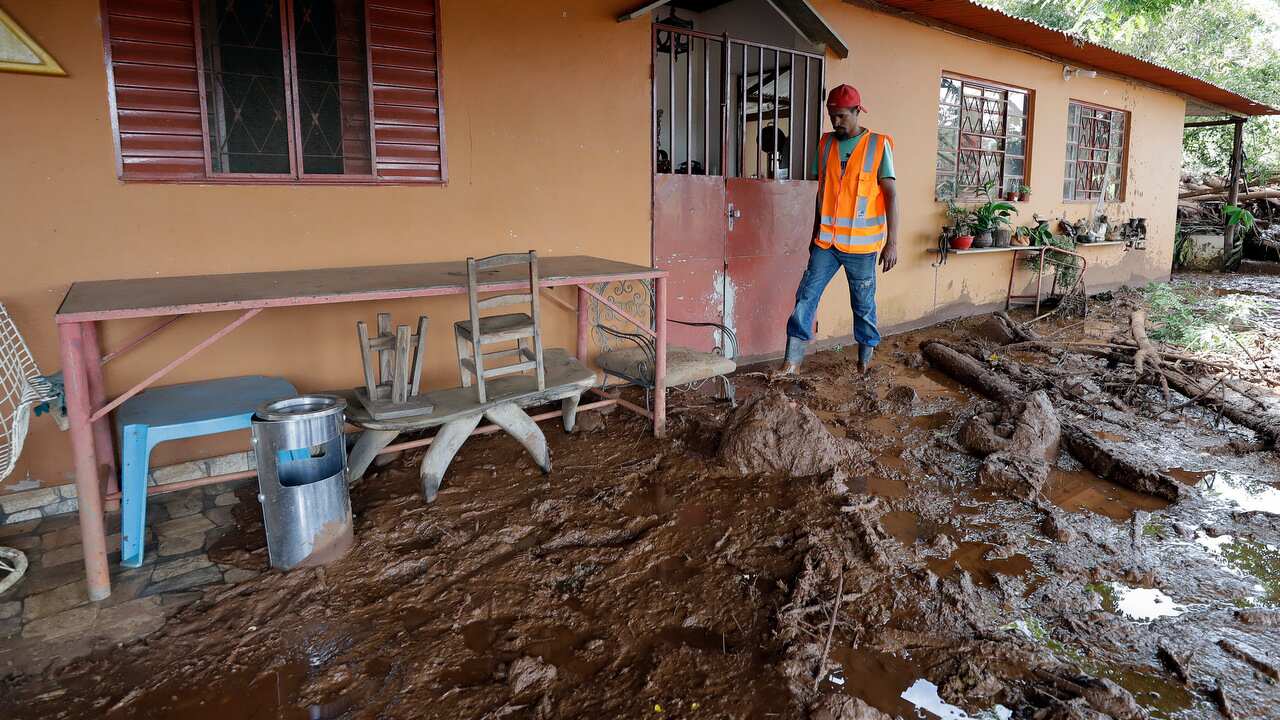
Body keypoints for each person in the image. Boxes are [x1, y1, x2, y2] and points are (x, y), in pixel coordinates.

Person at [778, 84, 898, 375]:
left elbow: (891, 195)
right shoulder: (825, 144)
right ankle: (791, 363)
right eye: (832, 116)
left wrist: (893, 242)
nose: (836, 122)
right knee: (805, 297)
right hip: (826, 244)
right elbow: (823, 194)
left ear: (857, 112)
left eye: (842, 116)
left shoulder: (878, 145)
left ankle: (864, 365)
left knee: (863, 307)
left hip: (862, 248)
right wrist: (814, 234)